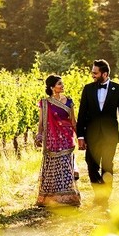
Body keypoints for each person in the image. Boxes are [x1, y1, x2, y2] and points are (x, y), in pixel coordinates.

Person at [76, 59, 119, 209]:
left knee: (107, 166)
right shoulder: (88, 89)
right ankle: (99, 191)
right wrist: (80, 136)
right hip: (91, 135)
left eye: (95, 73)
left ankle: (104, 199)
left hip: (110, 136)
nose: (92, 75)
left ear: (104, 74)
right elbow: (82, 114)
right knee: (91, 165)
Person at [36, 74, 81, 207]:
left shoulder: (69, 101)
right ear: (52, 87)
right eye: (59, 84)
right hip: (52, 140)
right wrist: (39, 135)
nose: (62, 86)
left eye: (62, 83)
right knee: (53, 167)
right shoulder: (45, 103)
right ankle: (52, 198)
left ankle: (68, 197)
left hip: (67, 138)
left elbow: (73, 121)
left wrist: (80, 138)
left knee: (66, 166)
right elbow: (41, 123)